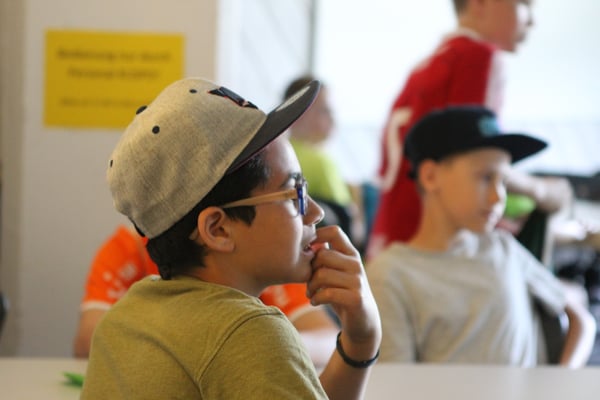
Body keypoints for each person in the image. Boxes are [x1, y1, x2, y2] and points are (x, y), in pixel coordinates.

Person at [81, 77, 381, 399]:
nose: (316, 213)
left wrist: (360, 342)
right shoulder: (251, 333)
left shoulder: (123, 321)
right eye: (295, 194)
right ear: (218, 229)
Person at [367, 106, 596, 366]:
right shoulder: (391, 275)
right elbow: (397, 381)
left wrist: (562, 378)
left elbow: (581, 321)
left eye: (504, 181)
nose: (499, 197)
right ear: (430, 176)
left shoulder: (504, 249)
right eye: (486, 177)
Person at [367, 0, 573, 260]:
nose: (532, 21)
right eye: (524, 4)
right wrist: (542, 191)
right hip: (438, 251)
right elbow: (480, 163)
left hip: (396, 232)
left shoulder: (434, 60)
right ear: (480, 3)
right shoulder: (479, 57)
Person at [73, 224, 339, 369]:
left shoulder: (262, 259)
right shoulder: (128, 247)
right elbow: (89, 340)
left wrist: (257, 348)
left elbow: (326, 340)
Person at [284, 75, 366, 252]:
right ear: (301, 112)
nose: (333, 119)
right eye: (325, 111)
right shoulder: (320, 162)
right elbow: (350, 222)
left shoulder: (278, 155)